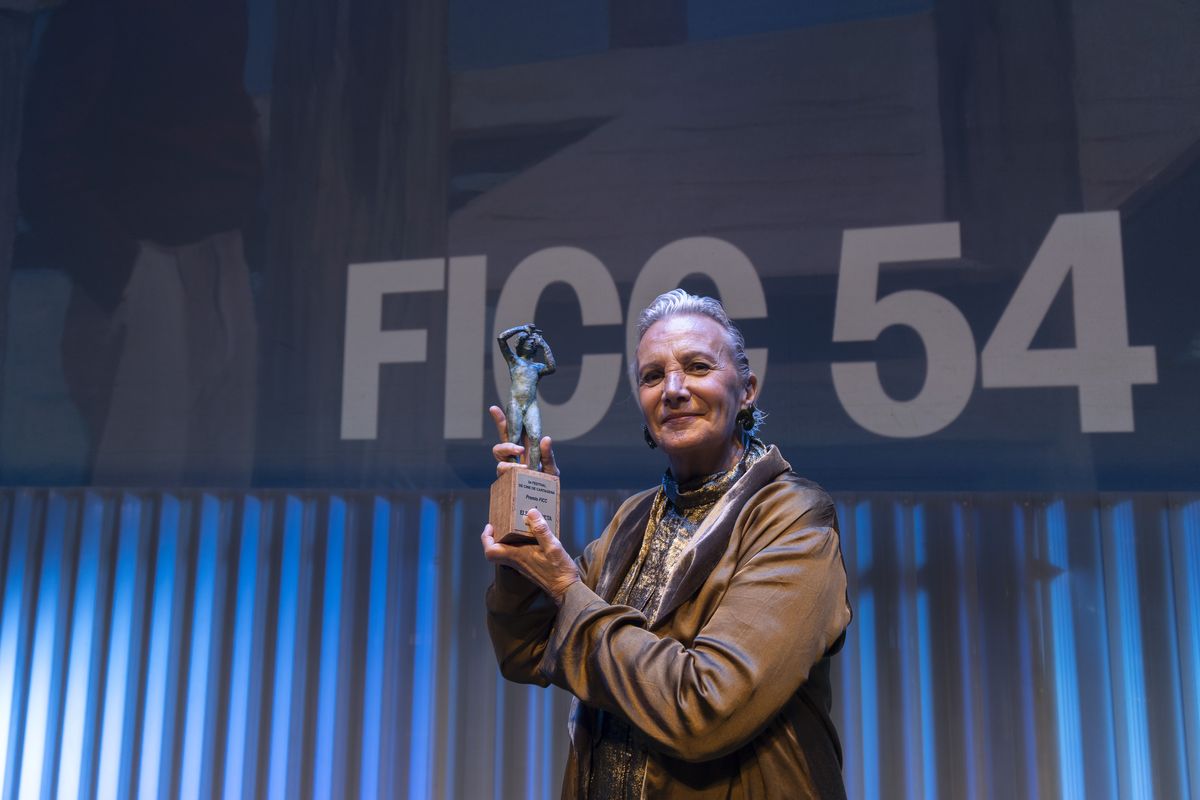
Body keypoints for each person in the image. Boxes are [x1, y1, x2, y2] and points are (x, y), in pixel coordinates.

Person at [481, 289, 852, 798]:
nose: (673, 389)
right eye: (652, 377)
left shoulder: (793, 517)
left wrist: (567, 586)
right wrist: (525, 528)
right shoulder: (634, 518)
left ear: (747, 391)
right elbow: (525, 648)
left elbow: (704, 711)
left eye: (697, 367)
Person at [497, 324, 557, 473]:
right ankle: (512, 472)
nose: (530, 344)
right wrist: (522, 328)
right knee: (514, 440)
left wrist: (544, 345)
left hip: (531, 404)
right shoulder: (514, 361)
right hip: (515, 403)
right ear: (520, 345)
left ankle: (534, 473)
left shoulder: (536, 367)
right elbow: (501, 338)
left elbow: (551, 367)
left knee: (535, 438)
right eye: (527, 341)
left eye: (532, 343)